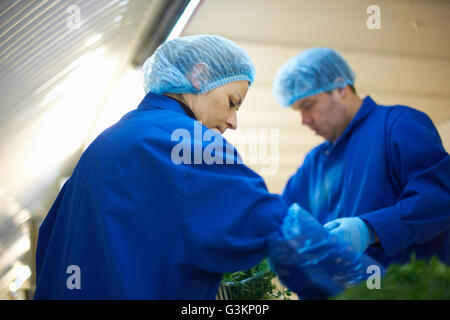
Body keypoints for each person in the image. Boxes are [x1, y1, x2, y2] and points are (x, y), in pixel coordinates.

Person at [34, 36, 380, 300]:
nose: (233, 122)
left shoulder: (104, 146)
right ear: (199, 76)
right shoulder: (182, 141)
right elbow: (277, 227)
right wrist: (376, 286)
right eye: (232, 102)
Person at [272, 47, 450, 267]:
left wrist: (370, 229)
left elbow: (439, 198)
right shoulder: (315, 163)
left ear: (341, 88)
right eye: (296, 111)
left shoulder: (397, 124)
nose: (304, 120)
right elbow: (280, 216)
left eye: (308, 106)